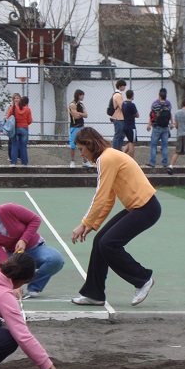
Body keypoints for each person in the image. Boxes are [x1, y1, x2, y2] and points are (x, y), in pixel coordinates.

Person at [70, 127, 161, 307]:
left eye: (81, 149)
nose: (80, 153)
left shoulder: (107, 158)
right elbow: (109, 198)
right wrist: (92, 224)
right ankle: (94, 294)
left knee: (108, 244)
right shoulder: (106, 158)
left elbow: (100, 196)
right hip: (137, 207)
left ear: (89, 144)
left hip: (146, 208)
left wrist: (84, 223)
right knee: (100, 241)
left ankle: (143, 279)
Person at [0, 202, 64, 299]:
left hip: (36, 248)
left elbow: (35, 220)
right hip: (15, 257)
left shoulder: (7, 209)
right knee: (2, 275)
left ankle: (34, 286)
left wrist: (24, 240)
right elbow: (3, 259)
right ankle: (18, 283)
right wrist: (15, 283)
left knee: (56, 259)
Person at [146, 87, 174, 168]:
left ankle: (152, 162)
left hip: (156, 127)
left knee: (153, 145)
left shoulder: (155, 105)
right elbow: (170, 115)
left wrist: (149, 125)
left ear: (159, 96)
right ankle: (165, 163)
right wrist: (172, 123)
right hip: (165, 127)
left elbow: (152, 116)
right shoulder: (168, 105)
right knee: (165, 145)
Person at [68, 89, 92, 168]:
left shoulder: (81, 105)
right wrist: (80, 114)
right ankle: (72, 161)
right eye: (82, 95)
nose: (83, 97)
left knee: (84, 144)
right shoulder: (72, 104)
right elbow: (75, 116)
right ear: (79, 95)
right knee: (73, 145)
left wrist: (79, 113)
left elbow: (86, 115)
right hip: (74, 127)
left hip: (81, 126)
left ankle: (85, 161)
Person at [8, 96, 32, 167]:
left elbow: (8, 117)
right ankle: (24, 163)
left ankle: (13, 163)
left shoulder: (13, 107)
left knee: (14, 145)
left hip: (15, 128)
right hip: (24, 128)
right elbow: (30, 121)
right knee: (23, 146)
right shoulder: (28, 109)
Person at [122, 89, 139, 158]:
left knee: (129, 142)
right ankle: (131, 159)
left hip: (125, 125)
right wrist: (133, 115)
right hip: (131, 126)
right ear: (132, 96)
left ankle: (122, 155)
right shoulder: (132, 105)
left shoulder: (123, 104)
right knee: (132, 143)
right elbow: (137, 115)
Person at [110, 79, 127, 150]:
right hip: (118, 118)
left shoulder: (116, 95)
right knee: (118, 135)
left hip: (118, 117)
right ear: (120, 86)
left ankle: (118, 149)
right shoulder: (118, 95)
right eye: (124, 86)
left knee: (121, 135)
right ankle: (116, 149)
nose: (124, 87)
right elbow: (122, 107)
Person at [6, 93, 21, 161]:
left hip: (20, 126)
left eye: (17, 98)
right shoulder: (11, 107)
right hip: (12, 126)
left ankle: (19, 155)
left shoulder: (22, 107)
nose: (16, 99)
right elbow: (7, 116)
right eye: (15, 98)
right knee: (11, 141)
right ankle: (11, 156)